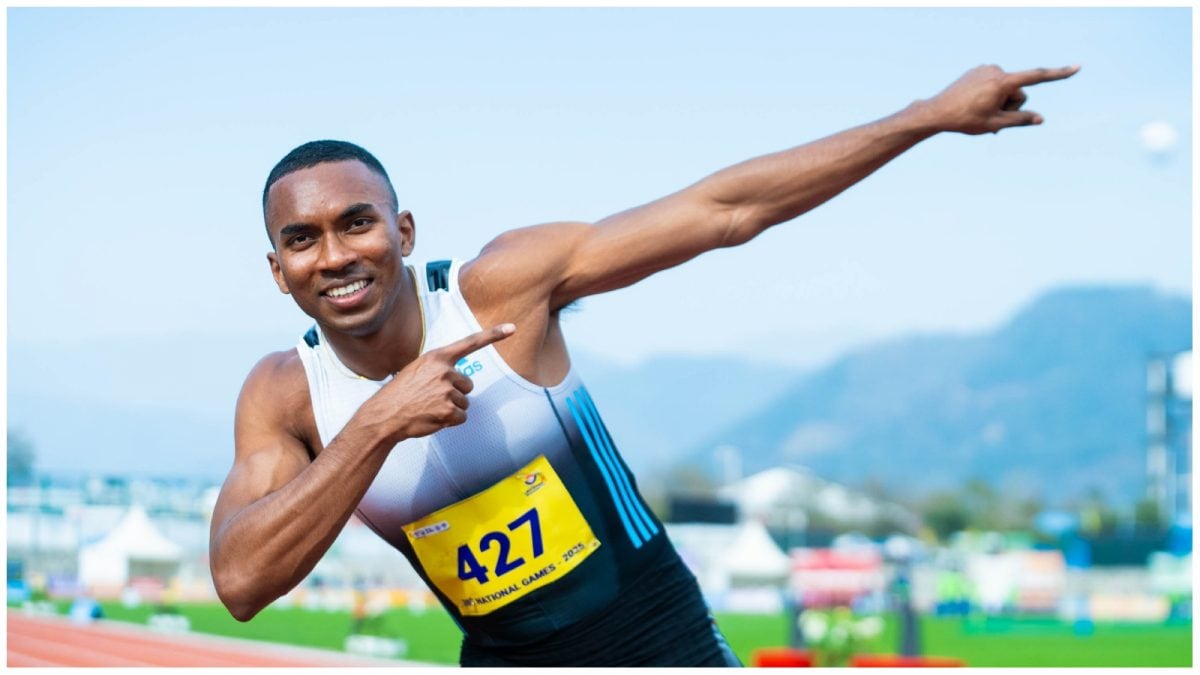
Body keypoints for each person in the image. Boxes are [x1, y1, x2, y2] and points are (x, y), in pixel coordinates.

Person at [209, 63, 1078, 666]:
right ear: (278, 270)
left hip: (661, 645)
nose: (335, 255)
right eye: (302, 239)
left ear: (402, 232)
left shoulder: (502, 289)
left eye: (357, 223)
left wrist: (925, 116)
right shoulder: (286, 396)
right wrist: (377, 424)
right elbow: (242, 581)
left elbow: (724, 209)